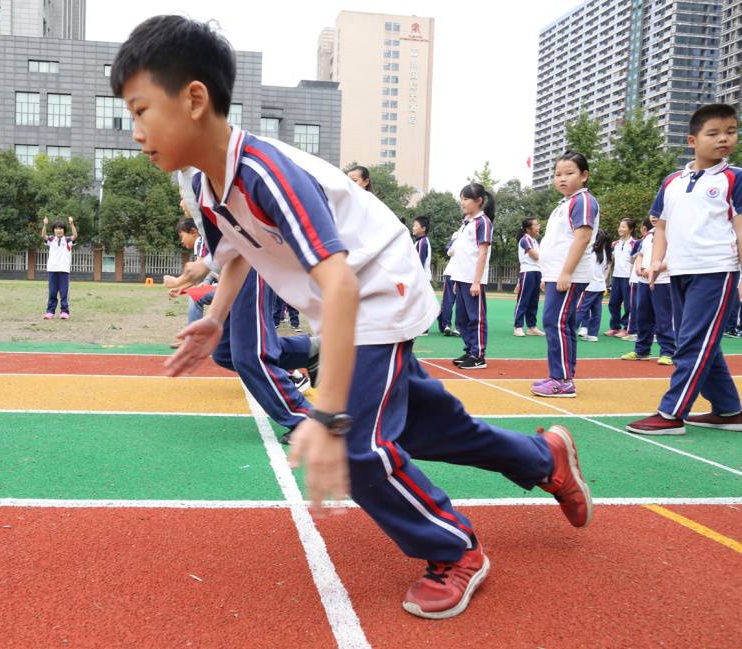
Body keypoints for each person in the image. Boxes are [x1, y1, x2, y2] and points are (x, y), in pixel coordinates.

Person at [112, 15, 593, 620]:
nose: (134, 132)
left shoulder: (265, 170)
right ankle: (543, 458)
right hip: (351, 299)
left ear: (194, 99)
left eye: (139, 110)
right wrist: (216, 318)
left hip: (377, 290)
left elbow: (338, 282)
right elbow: (234, 256)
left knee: (354, 447)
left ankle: (455, 549)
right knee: (419, 428)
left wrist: (328, 412)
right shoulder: (209, 187)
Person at [168, 169, 318, 433]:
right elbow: (229, 244)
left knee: (251, 355)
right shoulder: (187, 174)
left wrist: (203, 266)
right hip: (236, 263)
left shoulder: (212, 169)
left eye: (147, 125)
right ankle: (311, 350)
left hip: (254, 262)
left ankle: (307, 420)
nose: (140, 138)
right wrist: (211, 310)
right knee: (226, 354)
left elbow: (247, 237)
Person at [627, 104, 742, 435]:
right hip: (679, 271)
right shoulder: (673, 181)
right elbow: (660, 226)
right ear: (693, 139)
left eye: (731, 131)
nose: (724, 139)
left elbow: (740, 228)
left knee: (692, 342)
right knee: (699, 341)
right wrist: (656, 261)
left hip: (717, 270)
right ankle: (729, 410)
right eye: (714, 133)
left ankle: (671, 413)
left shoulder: (734, 178)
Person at [532, 151, 599, 398]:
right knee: (563, 323)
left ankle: (561, 379)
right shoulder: (566, 203)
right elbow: (557, 242)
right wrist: (547, 274)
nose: (562, 179)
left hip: (568, 275)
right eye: (558, 174)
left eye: (569, 173)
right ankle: (563, 376)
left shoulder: (583, 201)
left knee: (555, 322)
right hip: (557, 274)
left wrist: (566, 273)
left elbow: (582, 237)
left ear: (584, 176)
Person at [449, 183, 494, 369]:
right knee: (461, 318)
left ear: (479, 201)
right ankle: (469, 350)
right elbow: (460, 252)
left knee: (475, 317)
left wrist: (476, 281)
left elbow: (482, 254)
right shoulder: (466, 222)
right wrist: (455, 278)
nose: (462, 202)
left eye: (466, 199)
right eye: (461, 198)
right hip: (461, 278)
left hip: (472, 279)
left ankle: (478, 355)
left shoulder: (482, 222)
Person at [620, 216, 675, 365]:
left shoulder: (673, 232)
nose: (654, 217)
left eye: (659, 214)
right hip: (643, 281)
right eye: (653, 214)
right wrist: (639, 268)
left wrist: (653, 270)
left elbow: (673, 258)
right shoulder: (649, 235)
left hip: (663, 282)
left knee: (663, 318)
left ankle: (668, 352)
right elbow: (640, 254)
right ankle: (641, 350)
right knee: (643, 317)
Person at [576, 229, 610, 342]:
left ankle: (570, 330)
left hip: (589, 285)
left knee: (580, 309)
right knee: (596, 311)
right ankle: (593, 334)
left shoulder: (591, 254)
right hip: (599, 286)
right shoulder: (604, 253)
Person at [41, 216, 77, 320]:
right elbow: (43, 235)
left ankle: (64, 312)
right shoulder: (52, 239)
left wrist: (71, 224)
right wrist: (45, 224)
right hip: (52, 269)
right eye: (56, 228)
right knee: (52, 292)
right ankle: (50, 312)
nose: (58, 230)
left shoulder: (68, 240)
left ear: (64, 230)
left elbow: (75, 235)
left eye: (61, 228)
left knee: (63, 292)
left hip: (64, 270)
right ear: (54, 230)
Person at [605, 218, 636, 336]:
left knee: (629, 304)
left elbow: (635, 261)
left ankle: (627, 328)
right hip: (616, 277)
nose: (620, 229)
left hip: (628, 278)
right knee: (613, 303)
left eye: (623, 227)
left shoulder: (634, 244)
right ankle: (615, 327)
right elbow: (610, 262)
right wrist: (607, 276)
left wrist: (631, 277)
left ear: (631, 229)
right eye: (620, 226)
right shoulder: (615, 244)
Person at [513, 217, 543, 337]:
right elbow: (536, 256)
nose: (539, 227)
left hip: (537, 272)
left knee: (534, 301)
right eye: (536, 225)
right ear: (528, 229)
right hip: (528, 272)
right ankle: (518, 326)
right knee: (523, 300)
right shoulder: (525, 239)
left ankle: (532, 327)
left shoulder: (535, 241)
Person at [624, 224, 647, 342]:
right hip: (641, 278)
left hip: (640, 279)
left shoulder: (638, 242)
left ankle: (633, 331)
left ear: (643, 228)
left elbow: (632, 259)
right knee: (640, 306)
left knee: (635, 306)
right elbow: (635, 258)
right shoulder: (640, 243)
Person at [437, 227, 462, 337]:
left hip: (451, 272)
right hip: (463, 273)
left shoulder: (457, 234)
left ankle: (446, 325)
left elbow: (449, 251)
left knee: (448, 300)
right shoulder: (471, 233)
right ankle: (458, 328)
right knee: (461, 302)